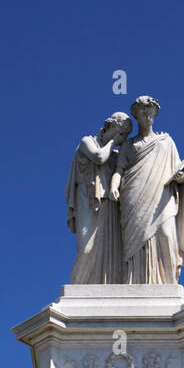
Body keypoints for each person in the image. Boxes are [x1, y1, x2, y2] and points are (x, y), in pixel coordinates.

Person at [109, 95, 184, 284]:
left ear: (155, 114)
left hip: (162, 196)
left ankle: (168, 283)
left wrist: (181, 177)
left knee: (166, 234)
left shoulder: (166, 142)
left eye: (150, 113)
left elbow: (179, 171)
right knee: (134, 241)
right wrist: (113, 186)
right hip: (133, 194)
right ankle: (133, 282)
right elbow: (119, 170)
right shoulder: (128, 145)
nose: (147, 117)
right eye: (143, 113)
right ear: (136, 116)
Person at [65, 113, 132, 284]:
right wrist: (113, 142)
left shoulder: (115, 155)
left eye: (124, 135)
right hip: (88, 197)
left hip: (109, 204)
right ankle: (76, 289)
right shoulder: (87, 141)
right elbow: (99, 157)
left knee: (109, 251)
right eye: (121, 132)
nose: (121, 138)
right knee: (86, 248)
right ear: (111, 126)